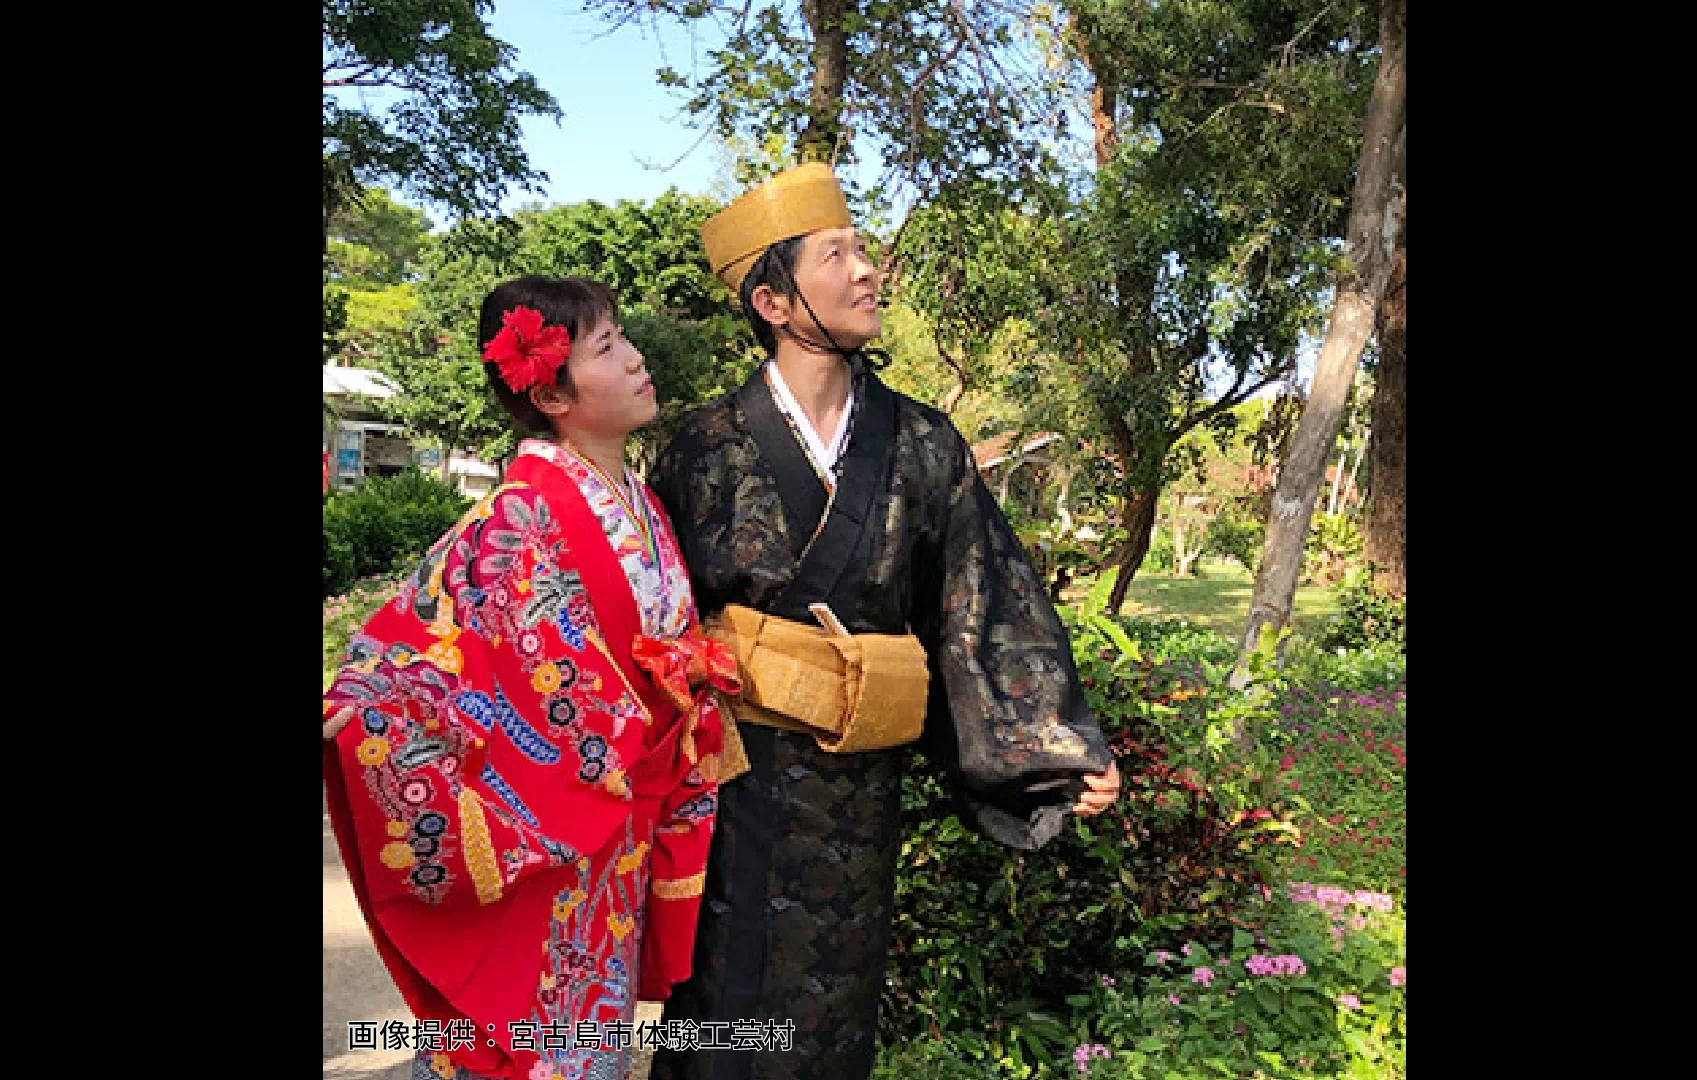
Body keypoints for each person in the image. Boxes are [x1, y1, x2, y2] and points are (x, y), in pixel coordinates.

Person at [646, 163, 1122, 1080]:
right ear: (774, 301)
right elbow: (643, 618)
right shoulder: (702, 447)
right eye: (839, 254)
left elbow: (984, 605)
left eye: (863, 250)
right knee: (718, 1009)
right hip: (728, 782)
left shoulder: (923, 441)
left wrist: (1058, 754)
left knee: (831, 1015)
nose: (869, 271)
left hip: (857, 792)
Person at [322, 277, 739, 1080]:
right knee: (516, 1033)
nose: (636, 358)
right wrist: (372, 702)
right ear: (550, 390)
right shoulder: (519, 512)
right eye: (608, 347)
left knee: (592, 1024)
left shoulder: (642, 507)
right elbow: (418, 641)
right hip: (553, 810)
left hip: (614, 824)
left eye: (624, 338)